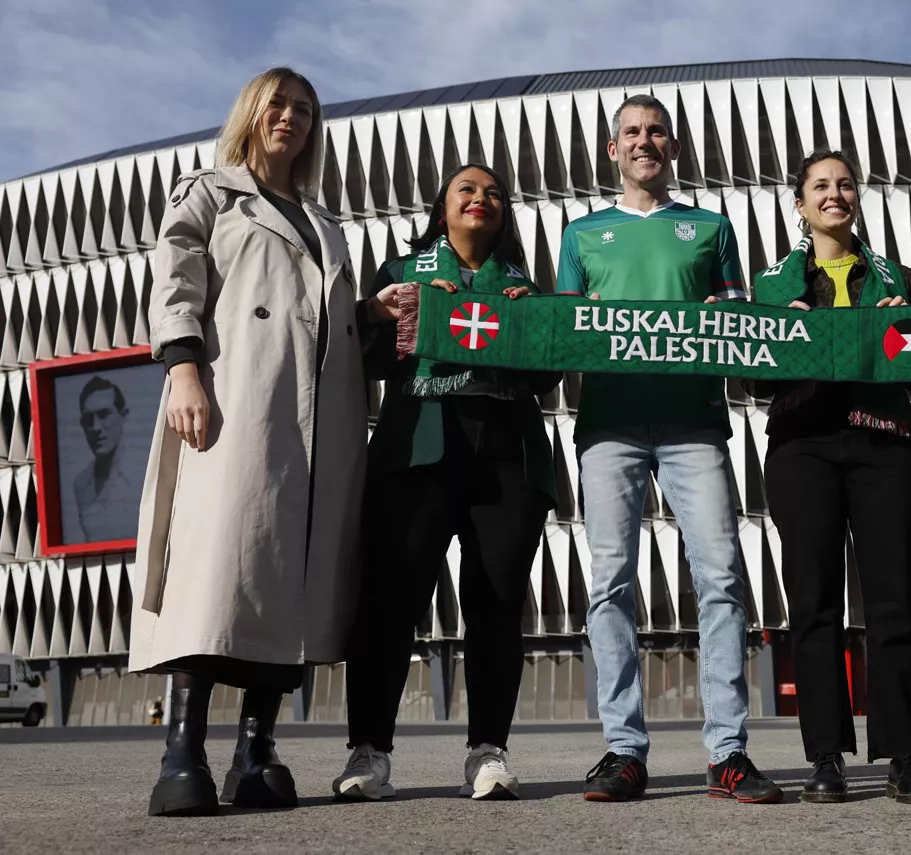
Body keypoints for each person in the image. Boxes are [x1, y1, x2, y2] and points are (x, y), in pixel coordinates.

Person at [128, 67, 401, 817]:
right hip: (235, 404)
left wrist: (368, 311)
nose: (291, 117)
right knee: (216, 571)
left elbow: (318, 312)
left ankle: (257, 748)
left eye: (305, 109)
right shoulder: (210, 192)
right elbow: (174, 280)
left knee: (291, 581)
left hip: (319, 426)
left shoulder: (326, 223)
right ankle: (182, 751)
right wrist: (183, 369)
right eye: (279, 103)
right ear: (253, 110)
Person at [557, 94, 782, 804]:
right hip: (609, 426)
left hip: (695, 423)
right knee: (609, 585)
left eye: (656, 132)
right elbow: (561, 333)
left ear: (673, 148)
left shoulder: (711, 227)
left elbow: (742, 327)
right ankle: (623, 750)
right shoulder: (582, 233)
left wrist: (732, 313)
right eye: (632, 132)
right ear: (612, 150)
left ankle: (728, 752)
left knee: (719, 579)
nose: (644, 141)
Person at [332, 164, 557, 803]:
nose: (481, 199)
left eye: (493, 193)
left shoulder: (524, 287)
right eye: (467, 190)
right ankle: (369, 751)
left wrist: (532, 326)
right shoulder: (402, 274)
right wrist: (381, 314)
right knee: (390, 604)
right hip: (417, 452)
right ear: (442, 210)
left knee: (496, 604)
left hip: (507, 459)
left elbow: (547, 381)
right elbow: (366, 361)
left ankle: (488, 751)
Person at [749, 150, 911, 805]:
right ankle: (825, 756)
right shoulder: (770, 284)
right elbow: (751, 376)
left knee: (894, 599)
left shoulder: (900, 275)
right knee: (814, 600)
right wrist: (784, 333)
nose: (835, 194)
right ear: (799, 205)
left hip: (884, 441)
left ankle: (905, 756)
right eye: (820, 187)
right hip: (802, 444)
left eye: (845, 184)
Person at [72, 376, 141, 542]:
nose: (95, 427)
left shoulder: (145, 474)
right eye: (88, 420)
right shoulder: (81, 484)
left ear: (123, 416)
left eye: (104, 415)